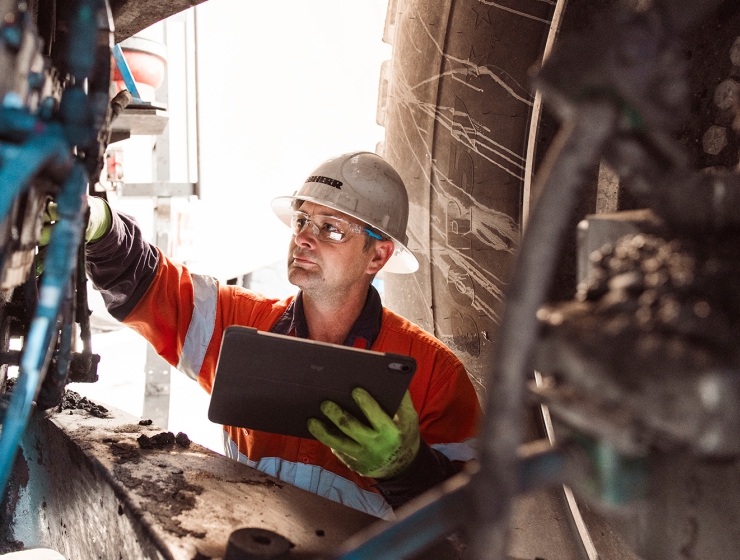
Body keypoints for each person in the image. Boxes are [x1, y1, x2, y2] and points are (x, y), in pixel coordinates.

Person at [82, 152, 480, 519]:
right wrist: (98, 224)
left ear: (378, 256)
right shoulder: (243, 324)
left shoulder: (435, 376)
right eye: (302, 220)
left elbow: (472, 521)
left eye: (331, 229)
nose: (304, 237)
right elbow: (152, 286)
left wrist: (407, 471)